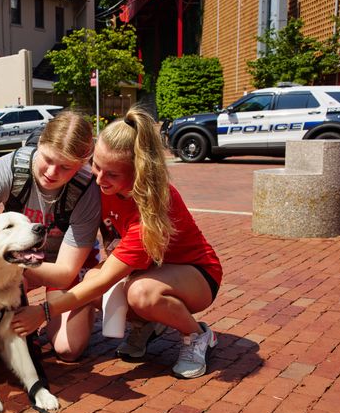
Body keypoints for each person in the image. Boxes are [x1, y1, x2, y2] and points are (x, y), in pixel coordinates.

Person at [11, 105, 223, 379]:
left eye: (112, 174)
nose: (99, 179)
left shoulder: (151, 208)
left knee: (140, 293)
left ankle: (196, 335)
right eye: (96, 166)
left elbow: (107, 279)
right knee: (88, 276)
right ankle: (147, 324)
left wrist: (43, 311)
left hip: (196, 274)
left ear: (139, 172)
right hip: (144, 271)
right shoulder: (100, 186)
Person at [0, 111, 101, 361]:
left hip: (58, 265)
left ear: (83, 163)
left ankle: (79, 306)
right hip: (17, 260)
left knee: (67, 350)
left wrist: (18, 269)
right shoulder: (8, 169)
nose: (52, 172)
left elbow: (64, 273)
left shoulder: (86, 189)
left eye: (66, 167)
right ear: (39, 143)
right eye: (48, 159)